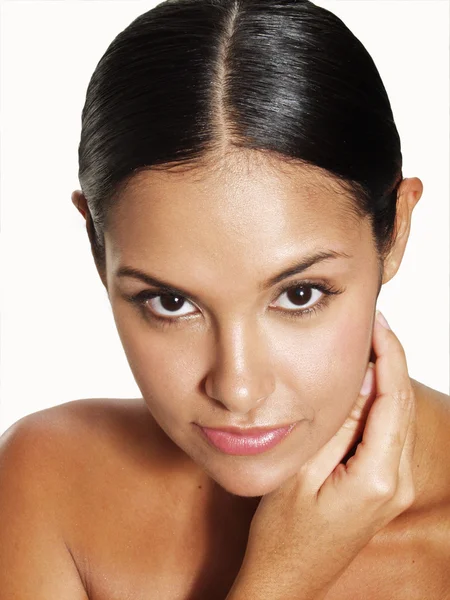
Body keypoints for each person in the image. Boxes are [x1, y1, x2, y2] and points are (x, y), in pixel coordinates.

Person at [0, 0, 449, 598]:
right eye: (169, 303)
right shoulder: (50, 484)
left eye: (300, 293)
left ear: (394, 230)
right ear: (95, 246)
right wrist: (278, 581)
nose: (237, 388)